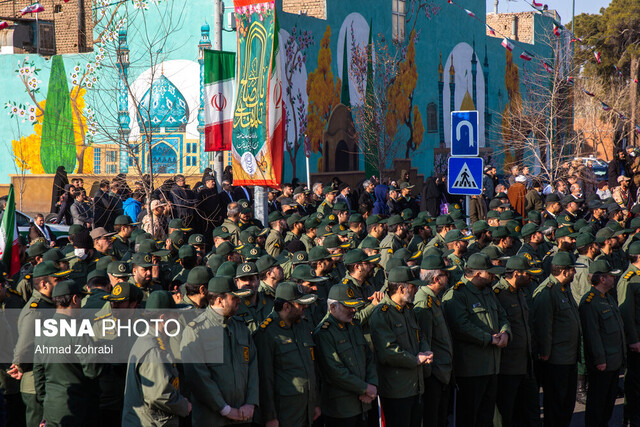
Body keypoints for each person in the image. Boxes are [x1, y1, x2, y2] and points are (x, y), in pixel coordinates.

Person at [442, 253, 511, 427]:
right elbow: (461, 327)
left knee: (485, 417)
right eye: (490, 272)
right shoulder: (457, 294)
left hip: (492, 366)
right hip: (471, 369)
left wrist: (505, 333)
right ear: (478, 273)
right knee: (468, 417)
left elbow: (502, 315)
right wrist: (489, 339)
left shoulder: (488, 291)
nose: (493, 276)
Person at [33, 280, 102, 426]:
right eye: (80, 300)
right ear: (75, 299)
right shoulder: (79, 332)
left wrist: (45, 402)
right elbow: (92, 371)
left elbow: (39, 374)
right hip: (77, 408)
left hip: (51, 407)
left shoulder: (43, 331)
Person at [370, 266, 432, 427]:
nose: (416, 289)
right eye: (413, 286)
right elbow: (387, 352)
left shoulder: (408, 310)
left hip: (415, 387)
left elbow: (420, 335)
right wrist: (415, 360)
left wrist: (425, 350)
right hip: (397, 390)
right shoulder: (382, 314)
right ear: (401, 288)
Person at [254, 282, 320, 427]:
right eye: (300, 305)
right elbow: (265, 379)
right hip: (284, 412)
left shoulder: (301, 326)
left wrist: (315, 403)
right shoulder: (267, 333)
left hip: (306, 408)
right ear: (286, 307)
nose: (304, 308)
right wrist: (270, 416)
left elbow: (311, 367)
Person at [122, 291, 193, 426]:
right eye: (175, 313)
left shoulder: (151, 341)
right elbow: (158, 394)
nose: (178, 317)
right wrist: (184, 405)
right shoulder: (153, 349)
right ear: (163, 318)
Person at [313, 284, 378, 426]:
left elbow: (369, 357)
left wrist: (372, 384)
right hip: (341, 409)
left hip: (363, 404)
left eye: (353, 306)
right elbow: (335, 372)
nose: (353, 310)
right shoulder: (324, 333)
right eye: (347, 307)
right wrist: (365, 388)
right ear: (332, 308)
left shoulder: (353, 326)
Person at [533, 252, 584, 427]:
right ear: (564, 270)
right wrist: (545, 354)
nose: (575, 274)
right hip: (556, 359)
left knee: (566, 403)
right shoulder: (547, 292)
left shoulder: (563, 288)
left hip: (568, 357)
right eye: (572, 270)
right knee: (556, 404)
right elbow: (543, 326)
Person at [493, 256, 541, 426]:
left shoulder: (520, 292)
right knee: (508, 413)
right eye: (528, 274)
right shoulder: (499, 294)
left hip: (526, 363)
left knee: (530, 412)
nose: (531, 278)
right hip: (509, 366)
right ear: (516, 274)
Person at [579, 260, 625, 427]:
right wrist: (600, 360)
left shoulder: (608, 299)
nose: (614, 279)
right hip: (603, 363)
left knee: (608, 403)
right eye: (611, 276)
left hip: (614, 360)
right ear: (602, 279)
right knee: (597, 405)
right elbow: (592, 335)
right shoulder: (590, 302)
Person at [414, 256, 455, 427]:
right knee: (433, 420)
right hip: (434, 375)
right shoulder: (424, 303)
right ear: (437, 279)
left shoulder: (434, 298)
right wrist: (430, 374)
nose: (449, 277)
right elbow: (425, 342)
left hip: (442, 371)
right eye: (446, 274)